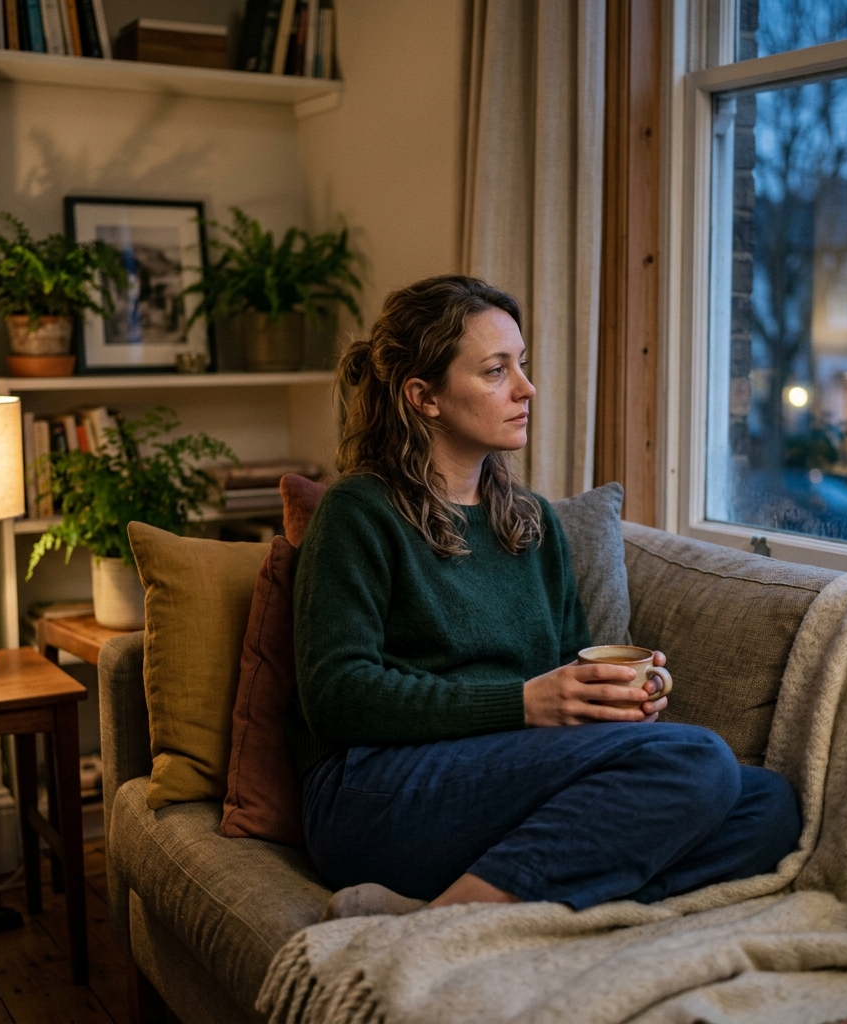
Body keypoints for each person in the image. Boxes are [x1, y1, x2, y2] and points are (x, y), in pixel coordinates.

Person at [289, 275, 801, 919]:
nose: (526, 389)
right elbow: (337, 695)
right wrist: (525, 701)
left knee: (767, 803)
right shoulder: (358, 511)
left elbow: (565, 674)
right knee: (699, 761)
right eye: (496, 371)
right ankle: (445, 925)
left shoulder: (531, 522)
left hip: (506, 781)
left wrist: (611, 701)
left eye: (521, 366)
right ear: (424, 397)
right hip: (378, 791)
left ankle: (457, 902)